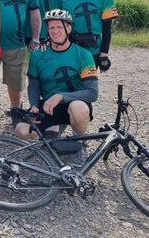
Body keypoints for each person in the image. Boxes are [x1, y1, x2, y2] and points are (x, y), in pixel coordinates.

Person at [14, 9, 98, 164]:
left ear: (68, 29)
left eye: (59, 27)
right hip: (48, 107)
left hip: (73, 104)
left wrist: (61, 96)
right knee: (21, 130)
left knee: (78, 109)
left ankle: (78, 142)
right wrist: (33, 106)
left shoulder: (83, 55)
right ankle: (54, 128)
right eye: (51, 28)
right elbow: (33, 85)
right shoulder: (38, 54)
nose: (55, 31)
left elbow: (92, 93)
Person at [58, 0, 119, 71]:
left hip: (93, 48)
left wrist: (104, 53)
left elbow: (107, 28)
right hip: (68, 46)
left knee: (88, 84)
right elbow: (56, 23)